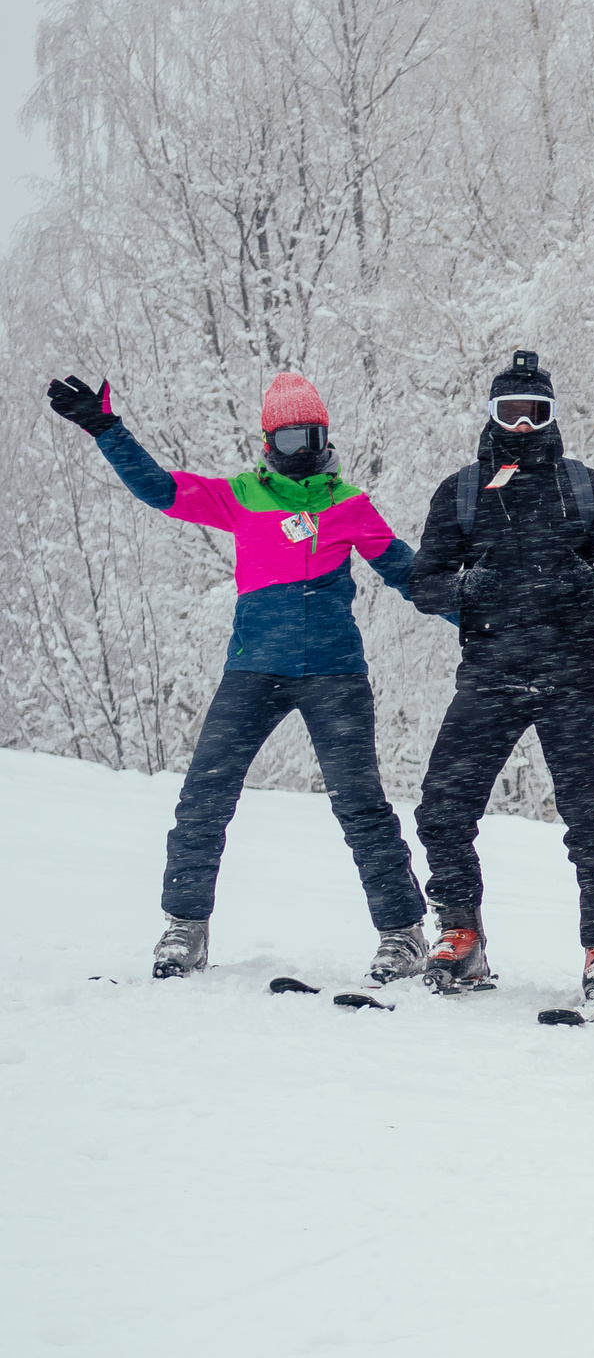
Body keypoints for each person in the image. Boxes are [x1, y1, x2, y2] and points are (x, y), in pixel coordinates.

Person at [44, 371, 433, 982]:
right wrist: (106, 429)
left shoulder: (349, 504)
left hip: (334, 673)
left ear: (326, 435)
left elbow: (408, 572)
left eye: (308, 435)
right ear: (266, 442)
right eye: (285, 438)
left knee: (360, 805)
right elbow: (158, 489)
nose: (298, 449)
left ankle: (403, 934)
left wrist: (485, 608)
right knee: (204, 797)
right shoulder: (242, 496)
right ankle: (184, 929)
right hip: (254, 667)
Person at [407, 351, 594, 1005]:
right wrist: (463, 585)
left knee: (588, 815)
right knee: (442, 805)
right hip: (491, 669)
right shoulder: (460, 491)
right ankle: (460, 932)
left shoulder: (584, 486)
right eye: (507, 412)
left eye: (533, 412)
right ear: (490, 415)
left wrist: (586, 579)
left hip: (574, 671)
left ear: (551, 415)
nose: (520, 424)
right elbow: (421, 583)